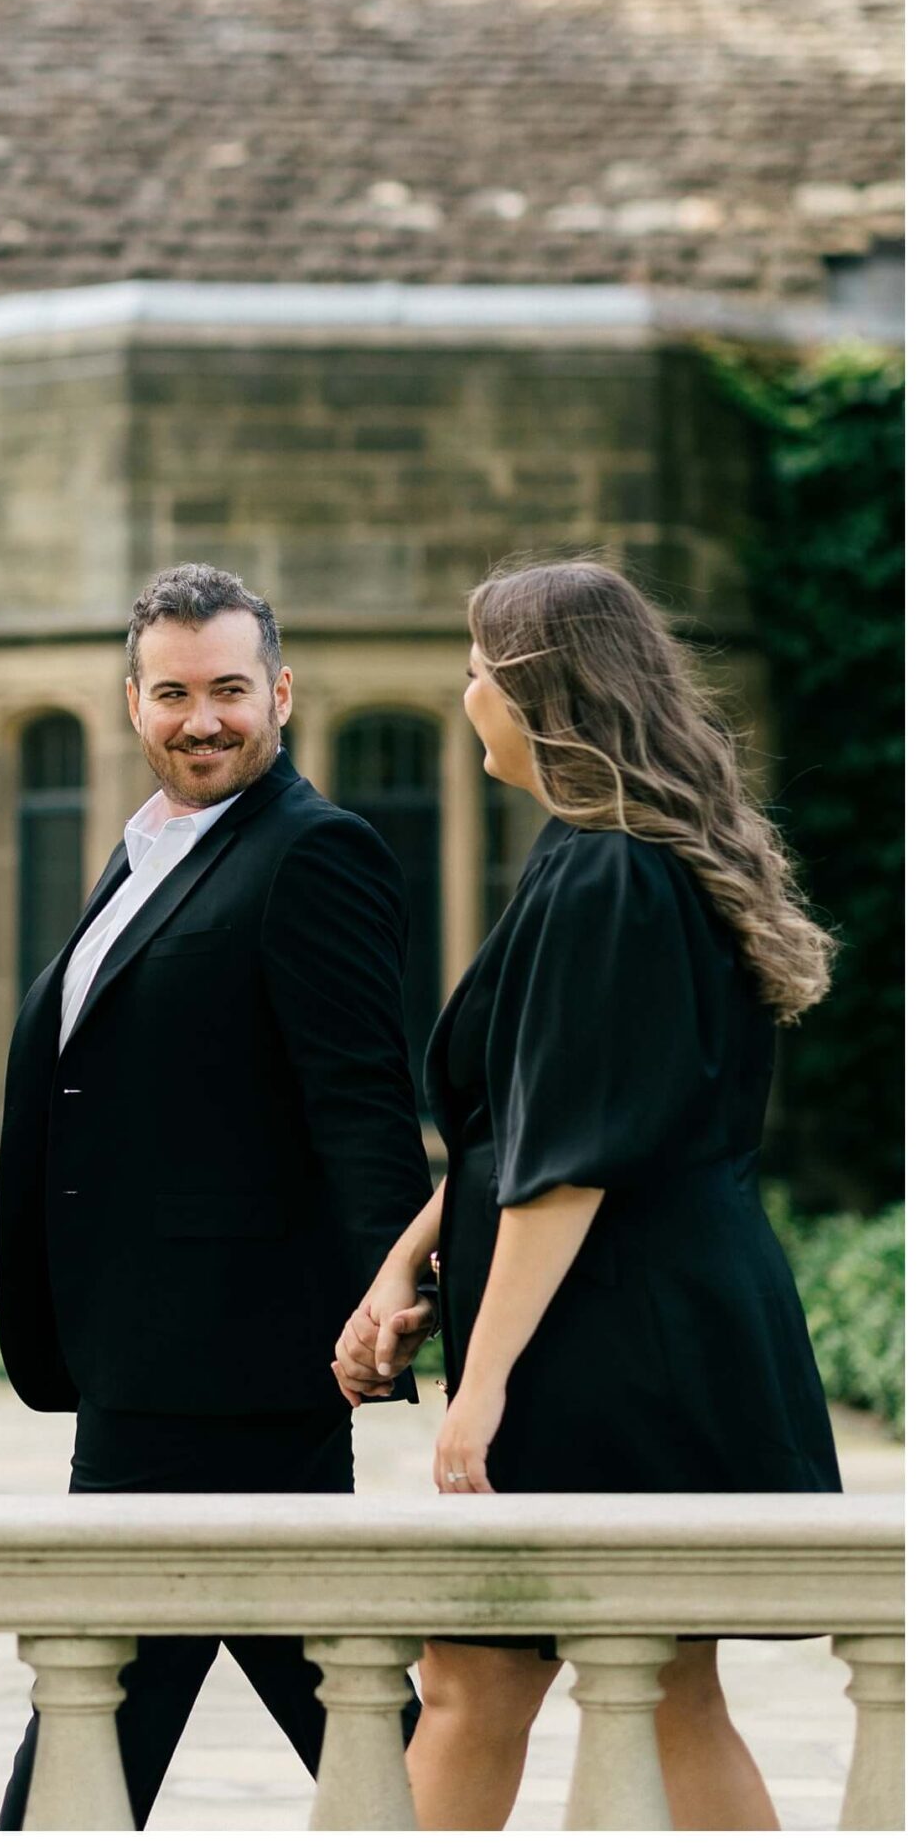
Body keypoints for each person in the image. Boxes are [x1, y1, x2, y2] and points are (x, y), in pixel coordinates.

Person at [330, 557, 841, 1832]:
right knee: (645, 1687)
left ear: (533, 692)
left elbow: (573, 1165)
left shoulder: (611, 874)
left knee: (487, 1680)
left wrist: (485, 1383)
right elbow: (519, 1129)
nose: (464, 697)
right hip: (642, 1324)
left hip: (615, 1340)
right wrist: (406, 1262)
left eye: (474, 671)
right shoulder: (601, 857)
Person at [0, 561, 433, 1830]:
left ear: (281, 693)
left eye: (230, 690)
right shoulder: (146, 851)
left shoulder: (316, 852)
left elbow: (359, 1097)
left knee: (112, 1696)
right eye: (174, 692)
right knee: (315, 1692)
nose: (204, 719)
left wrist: (389, 1296)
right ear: (132, 702)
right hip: (149, 1350)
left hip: (236, 1359)